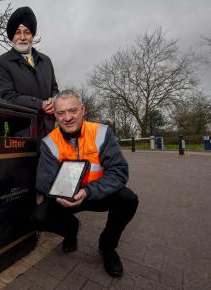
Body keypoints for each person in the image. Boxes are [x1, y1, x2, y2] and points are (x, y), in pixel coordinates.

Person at [31, 90, 139, 277]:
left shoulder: (102, 133)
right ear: (54, 115)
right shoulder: (49, 142)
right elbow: (43, 181)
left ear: (83, 110)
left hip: (97, 194)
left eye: (72, 111)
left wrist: (88, 191)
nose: (67, 118)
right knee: (37, 218)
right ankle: (70, 230)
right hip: (64, 198)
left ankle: (107, 247)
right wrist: (59, 196)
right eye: (61, 113)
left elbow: (118, 172)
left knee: (128, 199)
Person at [0, 6, 58, 144]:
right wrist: (40, 104)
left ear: (32, 35)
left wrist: (54, 101)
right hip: (22, 136)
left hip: (50, 132)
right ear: (12, 35)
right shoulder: (3, 62)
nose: (22, 37)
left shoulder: (46, 61)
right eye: (18, 32)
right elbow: (8, 96)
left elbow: (54, 89)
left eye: (27, 32)